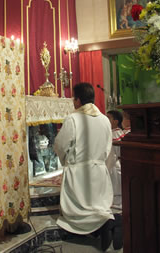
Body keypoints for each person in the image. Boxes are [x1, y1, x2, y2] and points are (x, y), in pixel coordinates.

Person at [54, 82, 116, 251]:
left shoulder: (73, 118)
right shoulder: (104, 119)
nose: (74, 103)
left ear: (79, 100)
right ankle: (105, 224)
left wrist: (67, 162)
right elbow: (108, 146)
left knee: (80, 209)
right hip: (99, 170)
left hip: (79, 173)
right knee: (97, 204)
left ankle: (103, 226)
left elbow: (60, 145)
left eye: (74, 99)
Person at [106, 110, 125, 209]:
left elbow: (118, 152)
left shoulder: (115, 134)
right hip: (111, 163)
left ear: (116, 121)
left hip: (114, 164)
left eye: (109, 117)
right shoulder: (112, 133)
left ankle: (117, 202)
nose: (106, 119)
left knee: (116, 184)